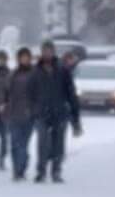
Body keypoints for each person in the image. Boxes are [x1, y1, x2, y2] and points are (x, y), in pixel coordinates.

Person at [35, 48, 82, 183]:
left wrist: (75, 119)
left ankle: (56, 170)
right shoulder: (36, 71)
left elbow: (71, 95)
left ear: (53, 53)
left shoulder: (62, 71)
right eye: (45, 51)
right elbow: (29, 92)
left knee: (59, 144)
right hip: (41, 113)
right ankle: (41, 171)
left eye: (49, 51)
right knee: (42, 143)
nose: (47, 54)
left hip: (60, 113)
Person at [4, 47, 39, 181]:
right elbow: (6, 92)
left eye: (26, 57)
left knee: (23, 144)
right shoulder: (13, 74)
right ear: (18, 59)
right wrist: (4, 104)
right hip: (13, 114)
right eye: (22, 57)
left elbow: (39, 94)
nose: (24, 59)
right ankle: (16, 169)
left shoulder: (35, 74)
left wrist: (35, 110)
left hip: (29, 114)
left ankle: (21, 169)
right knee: (14, 144)